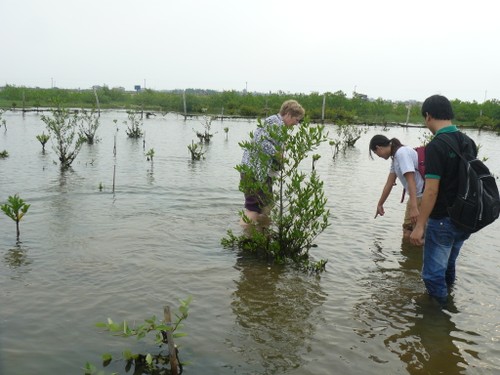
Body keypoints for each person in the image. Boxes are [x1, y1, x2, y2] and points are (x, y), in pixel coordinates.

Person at [410, 94, 477, 305]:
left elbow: (431, 190)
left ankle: (437, 318)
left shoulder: (436, 146)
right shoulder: (469, 142)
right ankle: (449, 305)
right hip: (465, 218)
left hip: (442, 220)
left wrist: (420, 225)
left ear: (428, 116)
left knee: (431, 275)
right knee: (448, 266)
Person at [239, 99, 305, 225]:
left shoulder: (279, 125)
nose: (297, 124)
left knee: (267, 205)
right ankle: (245, 237)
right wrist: (277, 154)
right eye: (297, 120)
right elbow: (261, 141)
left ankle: (262, 235)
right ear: (288, 114)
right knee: (253, 208)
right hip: (253, 172)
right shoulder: (274, 122)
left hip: (263, 174)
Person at [369, 135, 425, 240]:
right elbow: (389, 184)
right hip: (416, 197)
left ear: (379, 147)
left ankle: (419, 254)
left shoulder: (401, 153)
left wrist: (414, 207)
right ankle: (411, 256)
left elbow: (411, 180)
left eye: (376, 153)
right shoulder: (395, 158)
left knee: (415, 234)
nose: (378, 156)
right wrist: (380, 204)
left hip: (420, 197)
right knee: (408, 232)